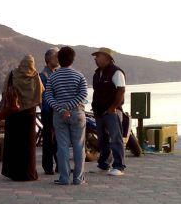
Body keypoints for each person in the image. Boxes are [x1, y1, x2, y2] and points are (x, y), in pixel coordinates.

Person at [45, 47, 88, 185]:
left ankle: (64, 178)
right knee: (78, 146)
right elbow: (83, 95)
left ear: (59, 59)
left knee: (62, 146)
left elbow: (48, 96)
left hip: (59, 115)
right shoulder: (79, 76)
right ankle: (78, 178)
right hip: (77, 113)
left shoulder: (52, 77)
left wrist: (61, 109)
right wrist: (69, 106)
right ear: (72, 59)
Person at [1, 55, 44, 182]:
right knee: (28, 145)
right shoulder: (35, 76)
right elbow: (40, 93)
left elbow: (4, 92)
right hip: (29, 115)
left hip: (13, 112)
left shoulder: (12, 74)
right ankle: (28, 173)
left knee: (13, 143)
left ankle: (13, 172)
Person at [91, 47, 127, 176]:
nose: (95, 59)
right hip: (99, 112)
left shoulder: (116, 72)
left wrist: (113, 108)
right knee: (102, 139)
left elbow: (121, 90)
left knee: (115, 139)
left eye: (98, 56)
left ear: (106, 57)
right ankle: (104, 164)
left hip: (112, 112)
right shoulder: (97, 73)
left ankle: (119, 166)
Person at [39, 48, 60, 175]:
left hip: (57, 111)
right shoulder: (43, 76)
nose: (58, 59)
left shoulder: (56, 73)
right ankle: (48, 167)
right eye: (56, 57)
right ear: (48, 59)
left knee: (59, 139)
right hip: (48, 112)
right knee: (48, 140)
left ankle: (60, 165)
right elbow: (43, 97)